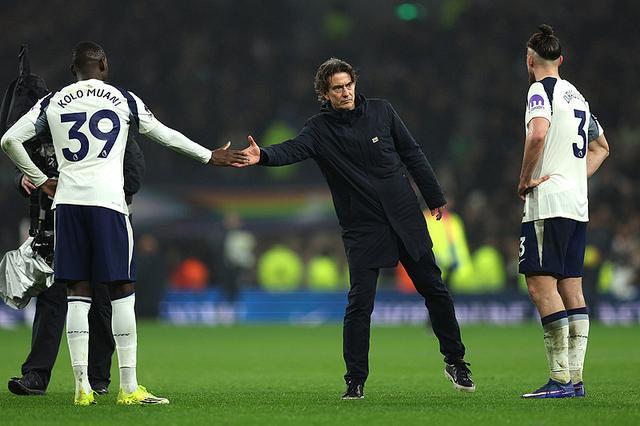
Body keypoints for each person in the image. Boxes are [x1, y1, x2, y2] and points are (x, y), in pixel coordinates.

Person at [1, 41, 248, 406]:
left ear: (72, 70)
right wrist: (209, 156)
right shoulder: (123, 99)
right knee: (120, 291)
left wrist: (40, 180)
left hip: (67, 205)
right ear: (103, 64)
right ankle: (129, 387)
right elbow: (165, 135)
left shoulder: (53, 102)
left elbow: (9, 140)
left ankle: (82, 389)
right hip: (108, 204)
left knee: (77, 295)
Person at [238, 58, 474, 399]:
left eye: (349, 85)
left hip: (405, 217)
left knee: (435, 290)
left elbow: (412, 153)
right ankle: (355, 380)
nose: (345, 92)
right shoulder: (318, 130)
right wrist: (263, 155)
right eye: (337, 88)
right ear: (325, 93)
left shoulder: (382, 111)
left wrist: (434, 196)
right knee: (360, 304)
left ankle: (456, 361)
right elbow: (292, 149)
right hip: (363, 227)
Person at [517, 25, 609, 399]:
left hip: (549, 202)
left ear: (530, 61)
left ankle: (560, 380)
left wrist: (525, 178)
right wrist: (574, 177)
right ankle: (576, 380)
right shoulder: (578, 97)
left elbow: (538, 133)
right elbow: (602, 147)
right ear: (561, 59)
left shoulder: (540, 91)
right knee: (571, 287)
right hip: (576, 205)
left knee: (541, 285)